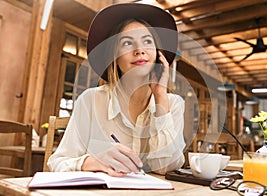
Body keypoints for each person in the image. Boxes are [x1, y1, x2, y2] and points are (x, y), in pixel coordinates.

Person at [48, 3, 185, 176]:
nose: (139, 50)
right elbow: (57, 163)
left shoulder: (173, 104)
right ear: (115, 56)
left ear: (158, 54)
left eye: (147, 41)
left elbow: (165, 166)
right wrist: (90, 161)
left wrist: (160, 97)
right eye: (127, 43)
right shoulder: (90, 100)